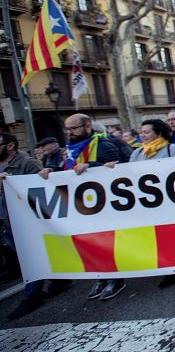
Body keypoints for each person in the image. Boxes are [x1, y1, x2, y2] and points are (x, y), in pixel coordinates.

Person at [39, 113, 124, 300]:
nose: (70, 133)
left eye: (74, 128)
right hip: (80, 205)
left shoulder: (103, 144)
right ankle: (101, 277)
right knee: (90, 243)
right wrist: (52, 171)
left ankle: (116, 279)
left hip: (102, 204)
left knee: (106, 242)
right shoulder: (69, 149)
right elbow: (67, 171)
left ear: (87, 126)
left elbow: (119, 169)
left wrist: (91, 165)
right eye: (67, 129)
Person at [1, 134, 74, 319]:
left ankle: (32, 295)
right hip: (7, 221)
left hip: (25, 221)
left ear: (10, 145)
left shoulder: (27, 163)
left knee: (30, 258)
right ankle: (60, 281)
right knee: (28, 256)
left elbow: (43, 190)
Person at [129, 119, 175, 288]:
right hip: (149, 204)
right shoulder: (137, 154)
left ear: (159, 133)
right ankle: (168, 266)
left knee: (172, 234)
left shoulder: (172, 150)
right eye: (142, 132)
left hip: (171, 202)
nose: (143, 135)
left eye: (146, 132)